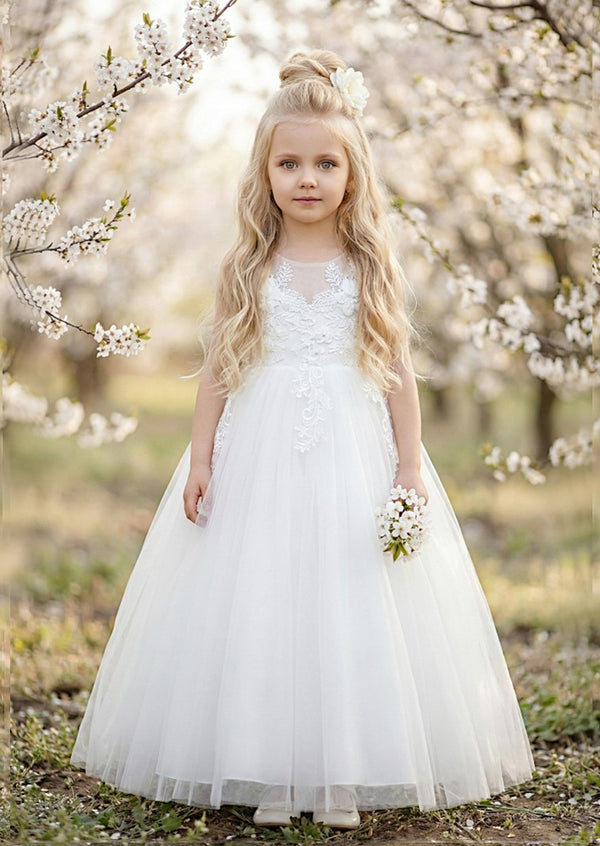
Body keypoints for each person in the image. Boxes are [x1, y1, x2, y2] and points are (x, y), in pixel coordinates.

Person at [70, 49, 534, 832]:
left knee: (349, 597)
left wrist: (410, 465)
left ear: (353, 174)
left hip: (354, 454)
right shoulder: (247, 266)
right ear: (265, 172)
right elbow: (219, 369)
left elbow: (396, 372)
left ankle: (342, 770)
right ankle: (274, 770)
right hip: (261, 453)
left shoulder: (368, 262)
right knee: (262, 598)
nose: (308, 178)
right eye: (290, 163)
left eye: (326, 163)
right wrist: (205, 459)